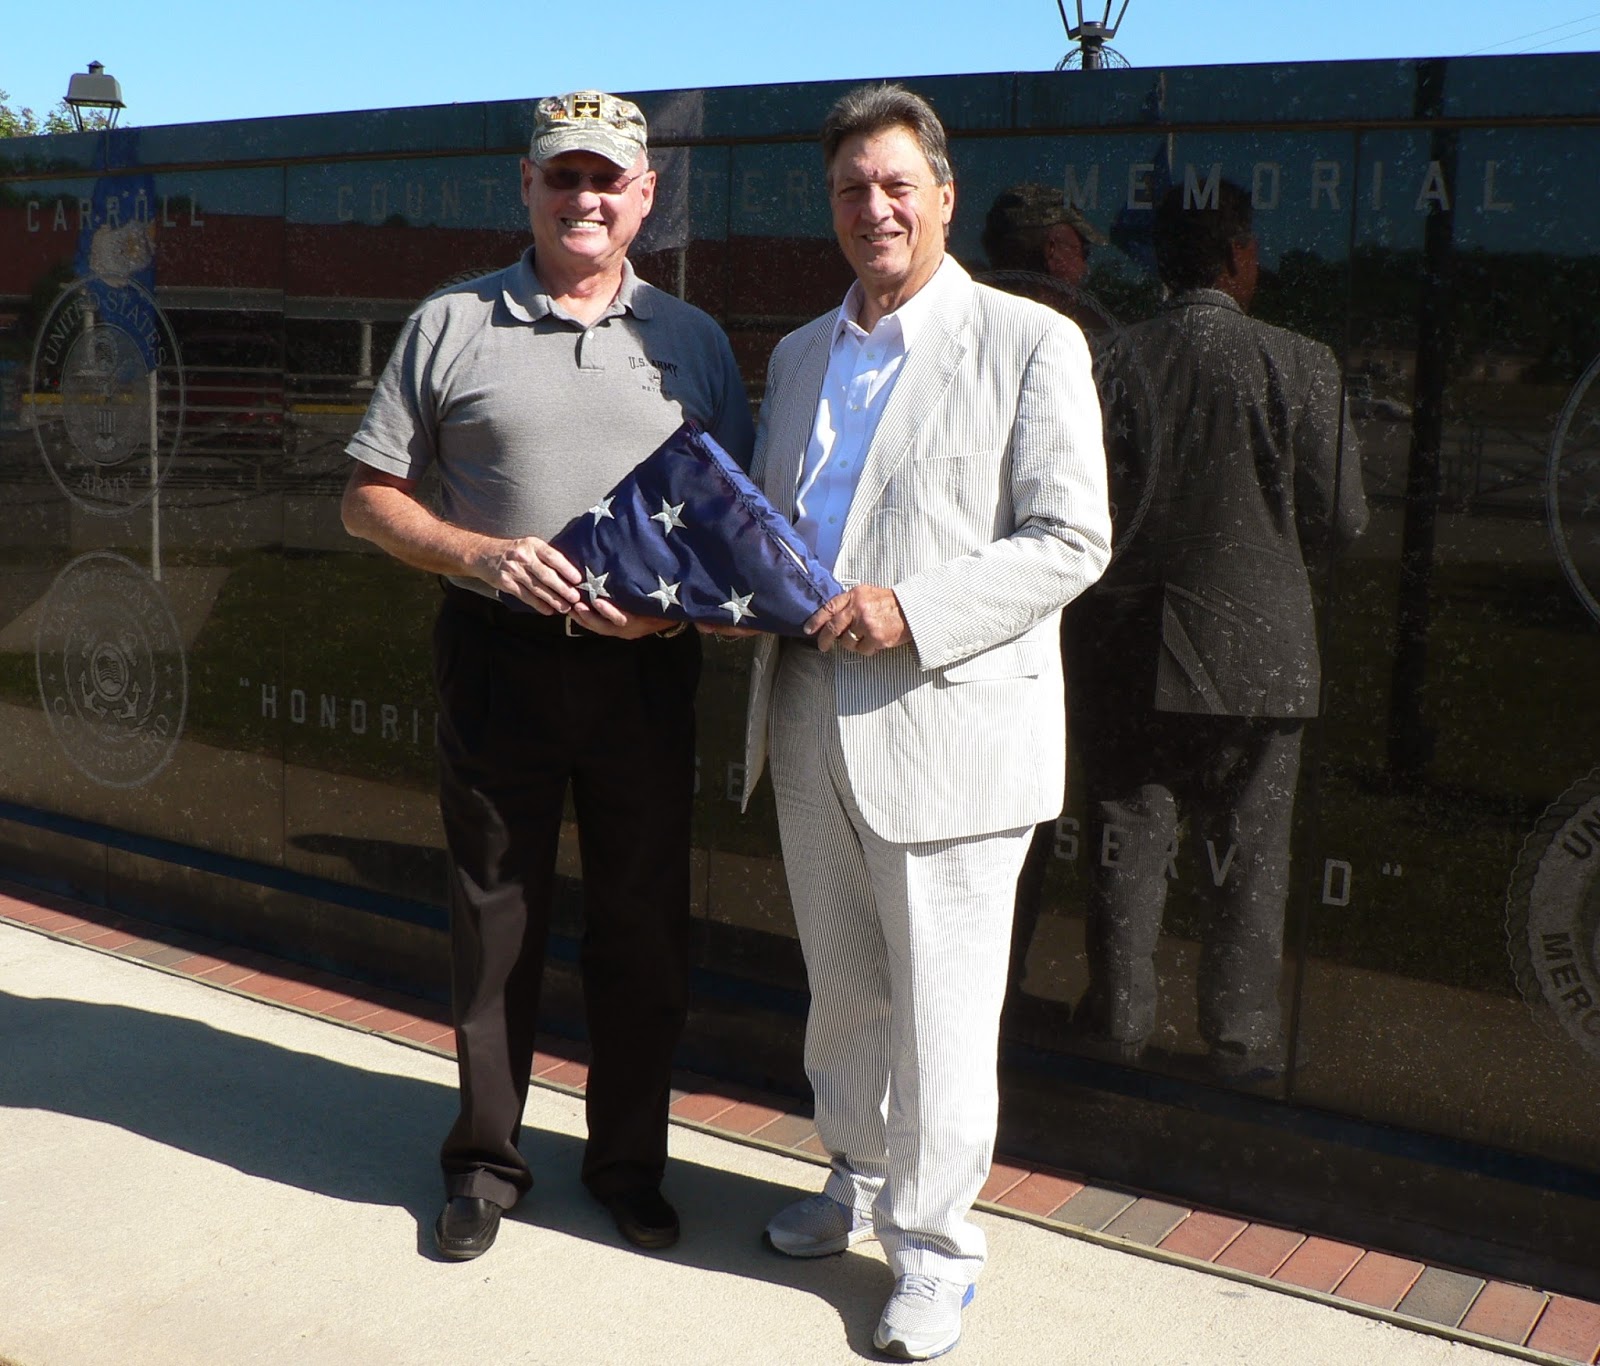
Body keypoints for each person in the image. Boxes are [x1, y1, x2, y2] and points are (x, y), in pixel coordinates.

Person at [725, 84, 1110, 1360]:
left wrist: (913, 611)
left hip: (947, 729)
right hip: (803, 721)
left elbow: (1071, 540)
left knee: (944, 1012)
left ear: (944, 193)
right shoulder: (794, 356)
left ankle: (937, 1249)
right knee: (842, 992)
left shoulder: (1028, 342)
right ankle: (855, 1171)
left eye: (897, 184)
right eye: (850, 189)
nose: (874, 207)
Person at [340, 89, 754, 1261]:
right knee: (494, 920)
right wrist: (480, 554)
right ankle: (483, 1161)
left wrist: (678, 614)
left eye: (606, 179)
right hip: (496, 662)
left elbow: (735, 525)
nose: (585, 198)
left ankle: (628, 1164)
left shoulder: (695, 341)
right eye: (562, 176)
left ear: (644, 197)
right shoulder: (452, 323)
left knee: (640, 928)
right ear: (525, 186)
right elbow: (366, 495)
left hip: (645, 674)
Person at [1069, 180, 1368, 1080]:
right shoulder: (1302, 364)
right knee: (1249, 859)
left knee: (1129, 844)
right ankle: (1237, 1043)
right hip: (1259, 656)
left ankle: (1118, 1026)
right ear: (1240, 258)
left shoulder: (1113, 362)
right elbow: (1344, 520)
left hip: (1127, 645)